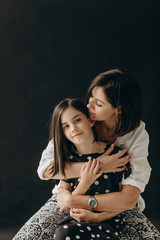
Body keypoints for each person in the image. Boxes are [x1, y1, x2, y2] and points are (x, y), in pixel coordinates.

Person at [13, 68, 160, 240]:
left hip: (114, 205)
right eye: (91, 97)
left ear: (118, 109)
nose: (89, 105)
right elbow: (45, 169)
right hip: (69, 195)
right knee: (26, 237)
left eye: (98, 104)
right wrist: (100, 166)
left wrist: (79, 203)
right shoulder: (78, 122)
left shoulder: (136, 134)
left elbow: (128, 199)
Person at [49, 98, 131, 240]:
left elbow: (123, 203)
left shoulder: (114, 156)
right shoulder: (68, 161)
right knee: (65, 232)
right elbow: (66, 208)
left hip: (107, 220)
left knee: (66, 234)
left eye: (77, 120)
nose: (73, 128)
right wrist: (85, 182)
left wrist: (97, 217)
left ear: (90, 121)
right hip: (74, 221)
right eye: (66, 126)